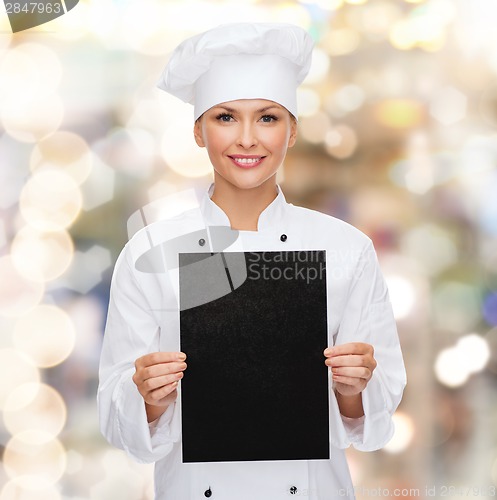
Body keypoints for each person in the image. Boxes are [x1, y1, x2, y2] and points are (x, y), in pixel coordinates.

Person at [98, 22, 406, 500]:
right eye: (224, 117)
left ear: (293, 130)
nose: (247, 139)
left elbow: (374, 427)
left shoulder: (346, 249)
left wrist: (353, 387)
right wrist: (146, 396)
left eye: (267, 118)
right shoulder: (148, 253)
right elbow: (119, 427)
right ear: (198, 131)